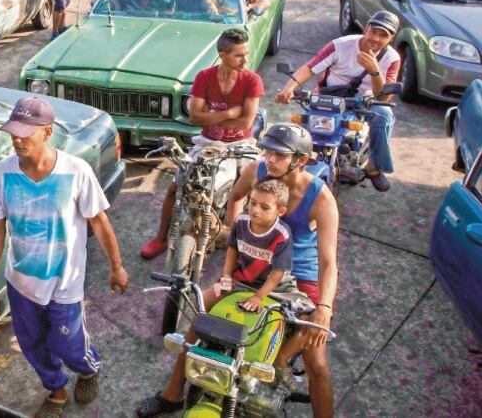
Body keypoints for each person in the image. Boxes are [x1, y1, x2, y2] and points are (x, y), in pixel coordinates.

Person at [139, 124, 340, 418]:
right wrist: (239, 238)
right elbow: (234, 199)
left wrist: (324, 306)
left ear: (300, 160)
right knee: (200, 317)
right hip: (254, 267)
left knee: (317, 362)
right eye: (268, 151)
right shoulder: (258, 172)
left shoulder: (320, 199)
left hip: (300, 278)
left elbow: (328, 262)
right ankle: (172, 394)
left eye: (279, 155)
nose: (269, 159)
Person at [0, 98, 129, 418]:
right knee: (32, 346)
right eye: (13, 133)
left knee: (68, 346)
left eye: (25, 133)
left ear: (46, 133)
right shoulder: (0, 175)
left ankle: (88, 370)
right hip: (21, 283)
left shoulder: (76, 172)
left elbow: (99, 221)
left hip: (65, 283)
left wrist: (116, 266)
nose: (17, 139)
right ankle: (56, 390)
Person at [137, 178, 295, 417]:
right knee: (200, 314)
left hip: (273, 288)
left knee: (282, 330)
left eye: (264, 207)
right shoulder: (242, 222)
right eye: (253, 203)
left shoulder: (281, 234)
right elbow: (232, 249)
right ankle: (174, 391)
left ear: (280, 211)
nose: (255, 210)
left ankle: (266, 384)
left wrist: (260, 296)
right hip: (240, 281)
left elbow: (278, 273)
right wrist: (226, 276)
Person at [140, 29, 264, 259]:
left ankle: (245, 248)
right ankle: (161, 238)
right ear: (222, 54)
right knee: (177, 186)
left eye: (245, 54)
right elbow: (194, 117)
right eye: (239, 55)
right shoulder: (204, 77)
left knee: (257, 189)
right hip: (208, 142)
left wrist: (213, 114)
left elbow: (245, 122)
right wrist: (230, 112)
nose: (245, 60)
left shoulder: (251, 80)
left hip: (240, 144)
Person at [275, 10, 401, 191]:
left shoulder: (392, 58)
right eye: (373, 31)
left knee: (384, 115)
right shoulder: (340, 45)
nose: (376, 38)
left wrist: (374, 71)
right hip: (328, 98)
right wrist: (289, 88)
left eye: (383, 35)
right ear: (366, 28)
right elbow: (310, 67)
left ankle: (374, 167)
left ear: (391, 38)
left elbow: (383, 97)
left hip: (363, 102)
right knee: (300, 131)